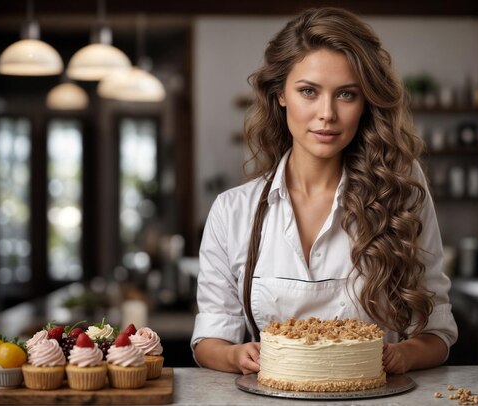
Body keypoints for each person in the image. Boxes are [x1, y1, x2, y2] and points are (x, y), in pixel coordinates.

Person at [191, 7, 457, 376]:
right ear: (280, 94)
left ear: (366, 103)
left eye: (346, 95)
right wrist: (236, 357)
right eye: (308, 92)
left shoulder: (401, 193)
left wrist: (403, 356)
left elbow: (437, 333)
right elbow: (209, 340)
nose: (327, 113)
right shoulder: (232, 211)